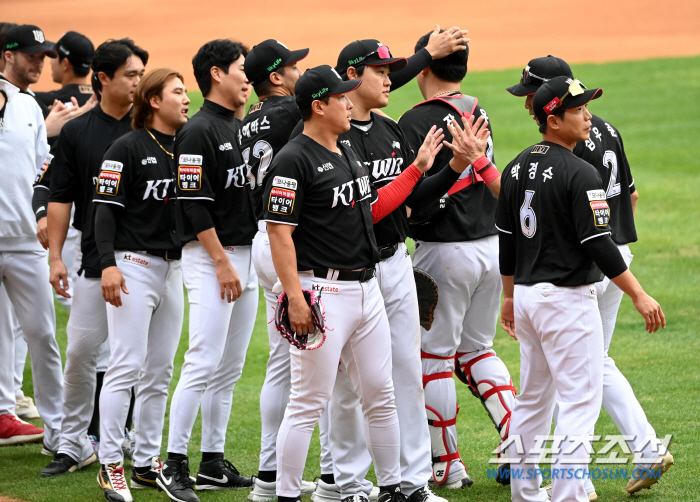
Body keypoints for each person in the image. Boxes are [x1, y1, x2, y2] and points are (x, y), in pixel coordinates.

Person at [262, 64, 448, 502]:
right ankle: (286, 495)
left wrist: (417, 170)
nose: (349, 102)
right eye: (341, 97)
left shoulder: (346, 149)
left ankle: (392, 490)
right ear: (318, 106)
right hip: (322, 293)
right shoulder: (294, 158)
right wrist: (294, 297)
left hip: (366, 291)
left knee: (380, 395)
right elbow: (278, 232)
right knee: (308, 402)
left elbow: (373, 209)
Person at [320, 38, 491, 502]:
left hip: (394, 263)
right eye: (380, 71)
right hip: (349, 271)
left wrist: (454, 165)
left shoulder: (391, 130)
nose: (390, 78)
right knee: (349, 385)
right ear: (353, 76)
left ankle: (413, 482)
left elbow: (415, 198)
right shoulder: (333, 140)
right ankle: (350, 484)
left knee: (405, 374)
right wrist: (417, 171)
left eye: (391, 70)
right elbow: (367, 208)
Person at [506, 55, 673, 497]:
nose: (588, 115)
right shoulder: (586, 161)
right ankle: (574, 491)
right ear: (555, 117)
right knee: (581, 394)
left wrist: (508, 297)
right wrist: (636, 290)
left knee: (538, 396)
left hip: (532, 289)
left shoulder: (517, 165)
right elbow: (614, 219)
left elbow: (508, 238)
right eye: (579, 109)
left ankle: (527, 491)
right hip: (578, 282)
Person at [397, 31, 513, 488]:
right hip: (491, 248)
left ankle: (446, 464)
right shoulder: (477, 110)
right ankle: (518, 438)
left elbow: (411, 194)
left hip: (444, 253)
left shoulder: (413, 121)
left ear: (424, 69)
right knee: (478, 350)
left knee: (436, 357)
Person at [41, 38, 147, 476]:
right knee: (82, 352)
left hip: (147, 261)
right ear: (103, 79)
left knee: (138, 358)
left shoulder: (152, 127)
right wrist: (54, 258)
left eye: (142, 74)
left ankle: (137, 444)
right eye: (131, 75)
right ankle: (72, 443)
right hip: (92, 259)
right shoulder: (78, 132)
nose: (139, 82)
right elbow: (60, 199)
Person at [159, 39, 257, 502]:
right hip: (211, 257)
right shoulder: (197, 131)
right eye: (241, 67)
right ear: (216, 74)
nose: (248, 75)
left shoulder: (235, 126)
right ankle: (172, 463)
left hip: (245, 256)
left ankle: (212, 463)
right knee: (202, 360)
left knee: (228, 367)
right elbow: (193, 202)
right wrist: (221, 262)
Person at [94, 67, 188, 502]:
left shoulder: (186, 148)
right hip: (132, 267)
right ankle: (110, 463)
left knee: (160, 372)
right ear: (154, 101)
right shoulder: (125, 148)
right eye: (178, 92)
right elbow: (104, 210)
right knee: (126, 365)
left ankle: (147, 463)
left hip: (174, 270)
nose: (187, 99)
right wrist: (108, 264)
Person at [240, 38, 321, 502]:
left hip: (263, 241)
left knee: (281, 365)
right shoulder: (294, 112)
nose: (298, 74)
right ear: (276, 76)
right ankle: (333, 477)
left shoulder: (247, 122)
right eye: (293, 67)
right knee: (322, 366)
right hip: (290, 243)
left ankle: (268, 475)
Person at [0, 23, 63, 453]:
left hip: (25, 241)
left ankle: (60, 430)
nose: (39, 61)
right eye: (30, 54)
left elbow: (43, 169)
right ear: (7, 54)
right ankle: (5, 411)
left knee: (41, 333)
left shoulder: (29, 105)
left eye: (43, 55)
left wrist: (44, 216)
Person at [35, 30, 95, 108]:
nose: (51, 62)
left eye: (54, 57)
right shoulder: (102, 99)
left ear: (65, 64)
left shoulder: (45, 102)